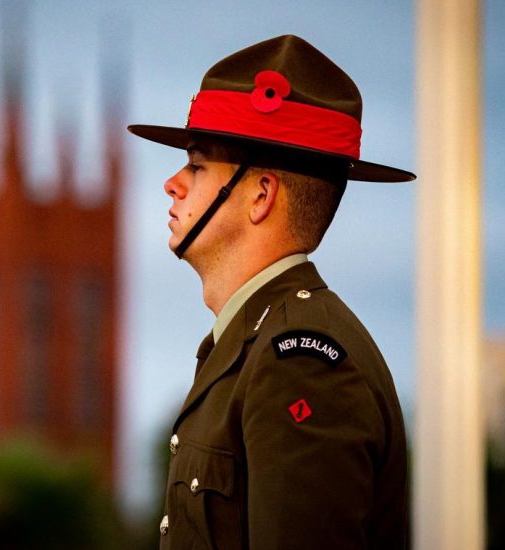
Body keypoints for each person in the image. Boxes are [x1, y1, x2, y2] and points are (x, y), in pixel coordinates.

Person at [128, 35, 414, 549]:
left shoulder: (299, 361)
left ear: (261, 196)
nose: (172, 183)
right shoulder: (259, 340)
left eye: (197, 165)